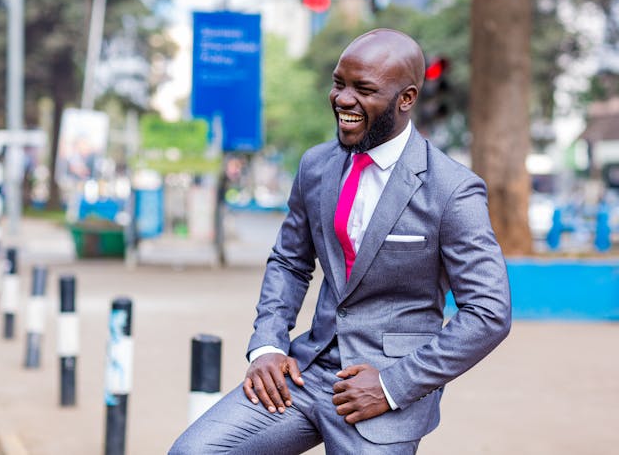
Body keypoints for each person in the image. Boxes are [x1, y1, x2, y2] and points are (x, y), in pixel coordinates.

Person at [169, 29, 511, 454]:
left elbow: (488, 312)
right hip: (305, 373)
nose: (343, 99)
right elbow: (290, 261)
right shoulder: (317, 165)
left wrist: (391, 385)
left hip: (384, 395)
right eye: (338, 83)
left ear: (406, 99)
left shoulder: (452, 190)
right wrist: (269, 344)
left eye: (363, 89)